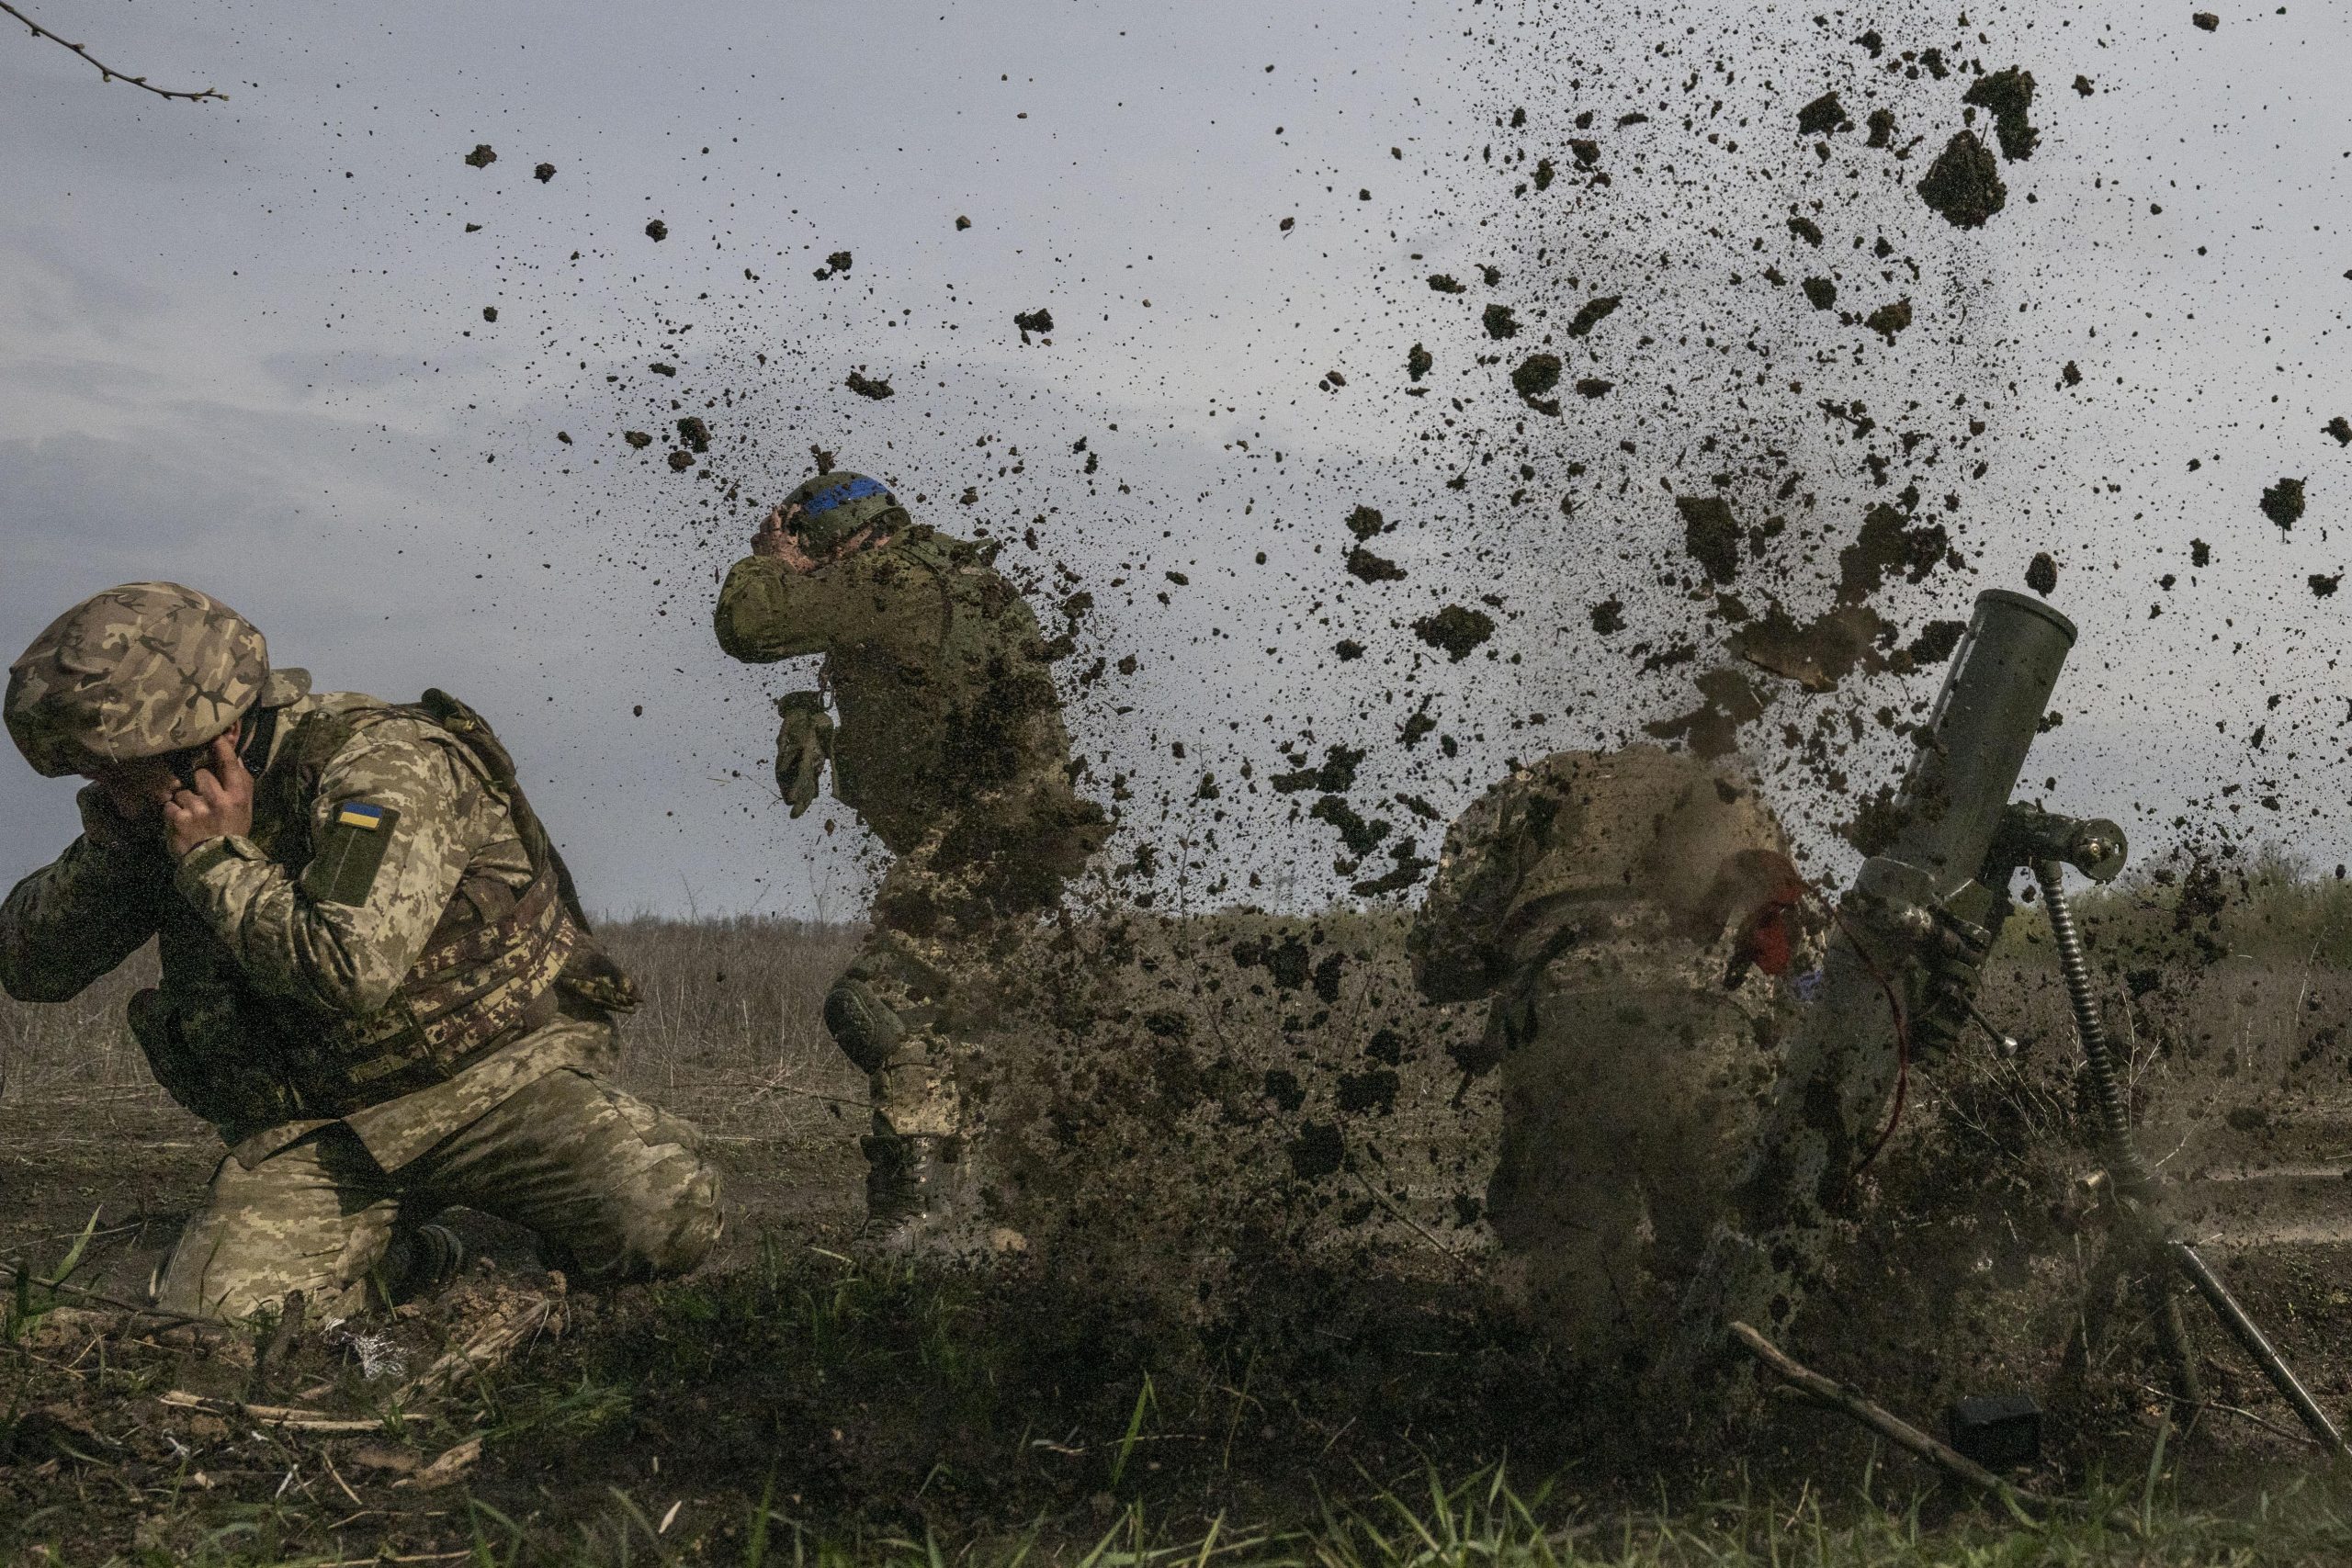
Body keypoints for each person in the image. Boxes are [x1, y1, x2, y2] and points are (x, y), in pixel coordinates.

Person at [0, 582, 719, 1323]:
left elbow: (350, 965)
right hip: (325, 1129)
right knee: (221, 1320)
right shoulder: (162, 813)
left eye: (119, 770)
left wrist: (217, 861)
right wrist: (122, 851)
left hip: (494, 1085)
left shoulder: (381, 763)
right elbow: (29, 966)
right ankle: (418, 1255)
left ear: (202, 738)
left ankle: (513, 1248)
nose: (110, 791)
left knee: (663, 1211)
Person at [714, 468, 1109, 1250]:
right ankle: (988, 1217)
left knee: (879, 1006)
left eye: (808, 546)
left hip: (989, 842)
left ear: (833, 536)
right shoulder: (949, 576)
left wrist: (768, 561)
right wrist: (816, 721)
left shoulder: (889, 575)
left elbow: (749, 625)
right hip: (1014, 840)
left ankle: (924, 1213)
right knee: (954, 1029)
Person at [1408, 744, 1821, 1371]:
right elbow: (1803, 967)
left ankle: (1584, 1419)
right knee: (1731, 1252)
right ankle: (1728, 1414)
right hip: (1711, 1033)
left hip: (1564, 1025)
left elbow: (1441, 953)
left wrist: (1502, 962)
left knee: (1573, 1266)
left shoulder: (1534, 792)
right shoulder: (1731, 794)